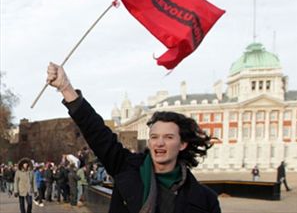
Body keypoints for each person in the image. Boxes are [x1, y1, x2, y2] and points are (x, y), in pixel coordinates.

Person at [46, 62, 221, 213]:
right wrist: (65, 87)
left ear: (182, 144)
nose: (159, 143)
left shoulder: (205, 200)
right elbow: (97, 133)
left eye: (168, 137)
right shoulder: (126, 166)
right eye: (154, 137)